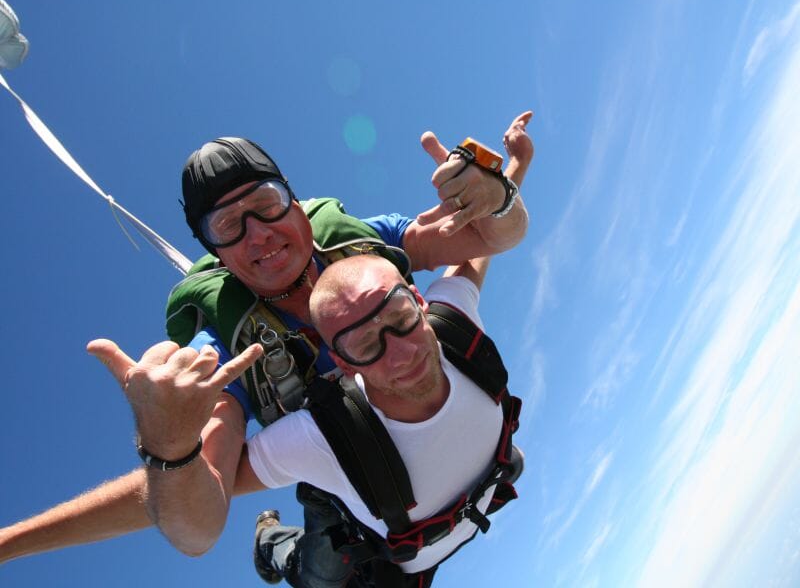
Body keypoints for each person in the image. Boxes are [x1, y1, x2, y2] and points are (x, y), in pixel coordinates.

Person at [0, 112, 533, 571]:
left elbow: (485, 241)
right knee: (324, 571)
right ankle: (274, 544)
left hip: (473, 472)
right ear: (218, 257)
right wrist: (170, 444)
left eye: (266, 203)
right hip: (352, 484)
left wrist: (498, 191)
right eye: (227, 226)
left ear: (298, 206)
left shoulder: (364, 244)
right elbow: (195, 524)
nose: (257, 234)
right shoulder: (227, 353)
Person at [97, 253, 520, 587]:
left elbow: (477, 247)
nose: (402, 353)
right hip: (382, 554)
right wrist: (168, 442)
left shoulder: (455, 327)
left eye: (401, 317)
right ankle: (271, 541)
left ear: (420, 301)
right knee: (318, 577)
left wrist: (509, 171)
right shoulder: (317, 438)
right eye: (364, 344)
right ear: (340, 362)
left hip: (427, 526)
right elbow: (194, 488)